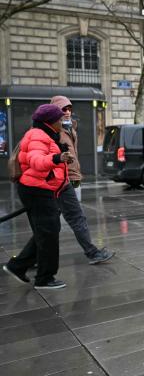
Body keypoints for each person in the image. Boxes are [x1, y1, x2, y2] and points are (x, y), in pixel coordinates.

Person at [3, 104, 74, 289]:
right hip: (36, 190)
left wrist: (60, 151)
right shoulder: (37, 135)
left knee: (45, 232)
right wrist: (57, 158)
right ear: (49, 122)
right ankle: (44, 278)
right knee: (49, 232)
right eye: (59, 120)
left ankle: (18, 266)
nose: (61, 122)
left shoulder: (45, 134)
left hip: (39, 189)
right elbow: (36, 161)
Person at [50, 96, 114, 264]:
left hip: (68, 178)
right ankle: (92, 253)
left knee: (49, 224)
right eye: (63, 109)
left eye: (69, 108)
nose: (68, 112)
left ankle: (25, 260)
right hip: (61, 181)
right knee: (76, 217)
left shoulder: (70, 129)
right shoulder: (54, 132)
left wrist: (76, 174)